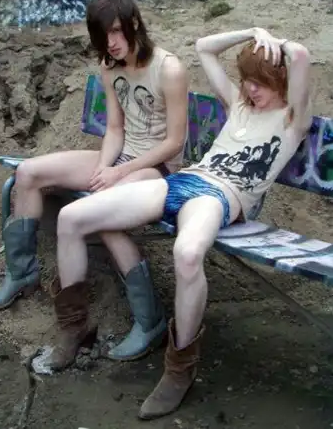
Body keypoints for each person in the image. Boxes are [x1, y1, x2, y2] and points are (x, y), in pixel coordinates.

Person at [38, 27, 312, 418]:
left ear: (280, 80)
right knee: (71, 217)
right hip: (183, 182)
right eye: (248, 80)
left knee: (187, 253)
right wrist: (252, 33)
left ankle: (179, 368)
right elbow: (204, 47)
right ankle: (74, 328)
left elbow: (300, 56)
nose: (251, 89)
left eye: (261, 82)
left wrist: (277, 44)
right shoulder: (238, 104)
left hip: (218, 196)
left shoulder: (292, 119)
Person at [0, 0, 189, 363]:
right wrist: (106, 167)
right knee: (28, 172)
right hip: (122, 158)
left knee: (100, 212)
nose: (111, 43)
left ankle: (150, 321)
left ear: (134, 22)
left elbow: (174, 143)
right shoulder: (111, 67)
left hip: (158, 170)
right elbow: (115, 129)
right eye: (102, 35)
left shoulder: (169, 68)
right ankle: (24, 276)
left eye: (116, 31)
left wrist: (120, 171)